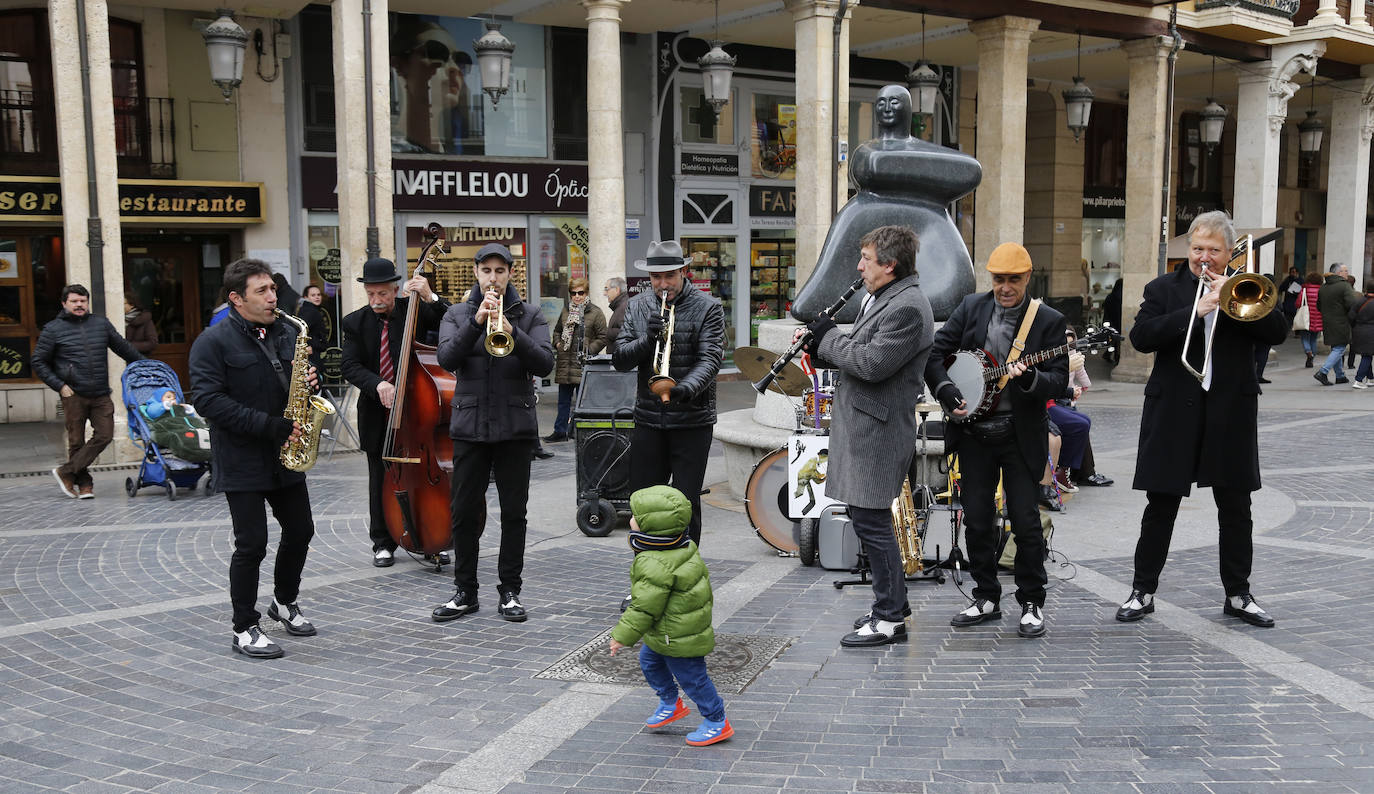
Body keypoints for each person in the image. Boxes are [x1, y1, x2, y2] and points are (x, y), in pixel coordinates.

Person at [1115, 210, 1289, 629]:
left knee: (1236, 506)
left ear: (1229, 254)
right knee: (1161, 504)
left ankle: (1238, 594)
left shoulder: (1244, 290)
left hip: (1229, 412)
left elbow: (1278, 332)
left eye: (1213, 250)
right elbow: (1141, 337)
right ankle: (1143, 590)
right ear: (1187, 250)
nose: (1204, 257)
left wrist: (1232, 298)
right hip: (1175, 410)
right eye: (1197, 249)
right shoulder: (1163, 288)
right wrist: (1196, 311)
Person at [794, 225, 933, 647]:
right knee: (866, 519)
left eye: (867, 259)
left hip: (879, 430)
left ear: (889, 264)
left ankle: (890, 619)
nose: (859, 266)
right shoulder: (888, 297)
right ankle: (893, 602)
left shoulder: (907, 307)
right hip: (867, 425)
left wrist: (829, 336)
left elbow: (871, 363)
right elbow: (858, 352)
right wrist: (821, 347)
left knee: (872, 524)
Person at [926, 242, 1068, 639]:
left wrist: (1030, 379)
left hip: (1019, 435)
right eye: (999, 279)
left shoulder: (1048, 321)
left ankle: (1031, 600)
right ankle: (986, 595)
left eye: (1014, 280)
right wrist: (946, 389)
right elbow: (936, 355)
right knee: (976, 518)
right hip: (974, 435)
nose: (1006, 287)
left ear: (1028, 276)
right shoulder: (971, 307)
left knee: (1025, 521)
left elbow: (1059, 379)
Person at [189, 258, 322, 659]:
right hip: (243, 456)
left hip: (284, 453)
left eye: (273, 289)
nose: (272, 297)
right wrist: (270, 426)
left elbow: (297, 375)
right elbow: (208, 401)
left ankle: (283, 602)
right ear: (236, 298)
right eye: (262, 291)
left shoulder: (285, 331)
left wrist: (312, 377)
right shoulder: (212, 342)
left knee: (301, 530)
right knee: (252, 545)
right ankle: (244, 627)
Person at [431, 243, 554, 623]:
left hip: (516, 429)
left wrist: (511, 330)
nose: (493, 278)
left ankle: (510, 591)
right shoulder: (456, 313)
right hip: (469, 428)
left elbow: (546, 362)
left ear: (510, 274)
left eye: (500, 271)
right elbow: (447, 359)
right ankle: (465, 591)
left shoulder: (530, 314)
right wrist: (476, 323)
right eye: (487, 271)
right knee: (464, 513)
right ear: (476, 273)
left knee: (514, 514)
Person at [612, 241, 725, 547]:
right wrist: (647, 340)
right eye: (655, 277)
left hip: (692, 420)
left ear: (684, 272)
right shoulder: (636, 306)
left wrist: (685, 388)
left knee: (685, 504)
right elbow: (620, 360)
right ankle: (648, 576)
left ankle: (686, 577)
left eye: (670, 276)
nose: (663, 284)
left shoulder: (708, 307)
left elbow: (711, 359)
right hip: (649, 420)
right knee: (645, 503)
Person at [340, 258, 448, 568]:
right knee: (379, 478)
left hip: (417, 412)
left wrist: (431, 297)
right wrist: (377, 385)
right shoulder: (354, 322)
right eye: (371, 294)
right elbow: (350, 366)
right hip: (377, 413)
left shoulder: (414, 310)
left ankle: (429, 538)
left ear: (395, 289)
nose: (376, 301)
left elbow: (451, 319)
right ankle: (382, 542)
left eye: (382, 295)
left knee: (421, 479)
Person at [608, 485, 732, 747]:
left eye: (635, 516)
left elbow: (644, 607)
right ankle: (670, 702)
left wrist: (622, 636)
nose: (631, 520)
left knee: (694, 679)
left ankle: (716, 720)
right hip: (668, 630)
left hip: (677, 635)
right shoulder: (680, 545)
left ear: (651, 526)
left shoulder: (654, 561)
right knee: (650, 661)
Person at [31, 284, 144, 499]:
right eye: (74, 301)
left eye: (83, 301)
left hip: (100, 392)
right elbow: (38, 361)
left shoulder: (100, 324)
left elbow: (123, 348)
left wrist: (147, 366)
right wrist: (60, 386)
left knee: (105, 435)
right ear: (64, 303)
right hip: (72, 393)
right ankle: (84, 484)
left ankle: (65, 471)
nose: (79, 305)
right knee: (76, 442)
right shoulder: (52, 329)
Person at [546, 277, 608, 442]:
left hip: (583, 364)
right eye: (573, 293)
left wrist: (588, 350)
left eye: (581, 293)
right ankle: (560, 431)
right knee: (563, 402)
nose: (577, 296)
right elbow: (557, 331)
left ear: (586, 293)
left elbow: (603, 337)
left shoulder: (595, 312)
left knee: (584, 403)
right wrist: (558, 343)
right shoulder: (566, 310)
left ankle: (582, 432)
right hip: (565, 364)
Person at [1313, 263, 1360, 386]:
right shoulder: (1344, 286)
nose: (1347, 273)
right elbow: (1352, 303)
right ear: (1338, 273)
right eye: (1345, 271)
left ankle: (1340, 376)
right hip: (1341, 321)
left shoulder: (1323, 287)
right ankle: (1323, 372)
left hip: (1327, 321)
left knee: (1336, 347)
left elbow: (1319, 305)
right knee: (1340, 348)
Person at [296, 283, 328, 371]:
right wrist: (307, 346)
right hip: (311, 354)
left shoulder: (310, 309)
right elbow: (300, 329)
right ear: (306, 297)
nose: (317, 297)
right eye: (313, 295)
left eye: (319, 295)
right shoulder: (310, 311)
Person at [1350, 283, 1374, 388]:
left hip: (1359, 330)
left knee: (1366, 354)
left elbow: (1351, 316)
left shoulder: (1359, 301)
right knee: (1367, 356)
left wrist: (1356, 326)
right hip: (1371, 332)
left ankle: (1370, 378)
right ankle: (1358, 380)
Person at [1298, 271, 1324, 368]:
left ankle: (1308, 352)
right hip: (1318, 318)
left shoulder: (1304, 290)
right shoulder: (1322, 290)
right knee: (1313, 339)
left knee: (1305, 337)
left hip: (1306, 318)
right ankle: (1311, 358)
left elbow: (1298, 303)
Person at [603, 277, 629, 356]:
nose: (604, 293)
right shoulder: (621, 306)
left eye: (607, 289)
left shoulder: (624, 307)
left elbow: (627, 333)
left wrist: (608, 332)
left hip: (622, 361)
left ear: (617, 290)